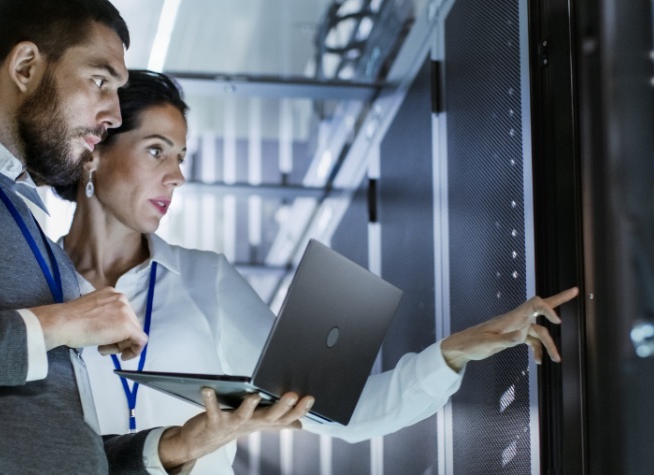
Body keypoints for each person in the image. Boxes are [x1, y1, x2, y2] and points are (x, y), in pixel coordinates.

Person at [0, 1, 312, 474]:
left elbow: (56, 447)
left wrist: (184, 443)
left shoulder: (25, 219)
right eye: (100, 81)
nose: (114, 114)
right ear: (27, 66)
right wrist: (63, 322)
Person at [54, 70, 579, 473]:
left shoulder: (203, 280)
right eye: (156, 151)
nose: (178, 175)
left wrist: (457, 350)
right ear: (94, 152)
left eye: (181, 156)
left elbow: (342, 414)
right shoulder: (34, 287)